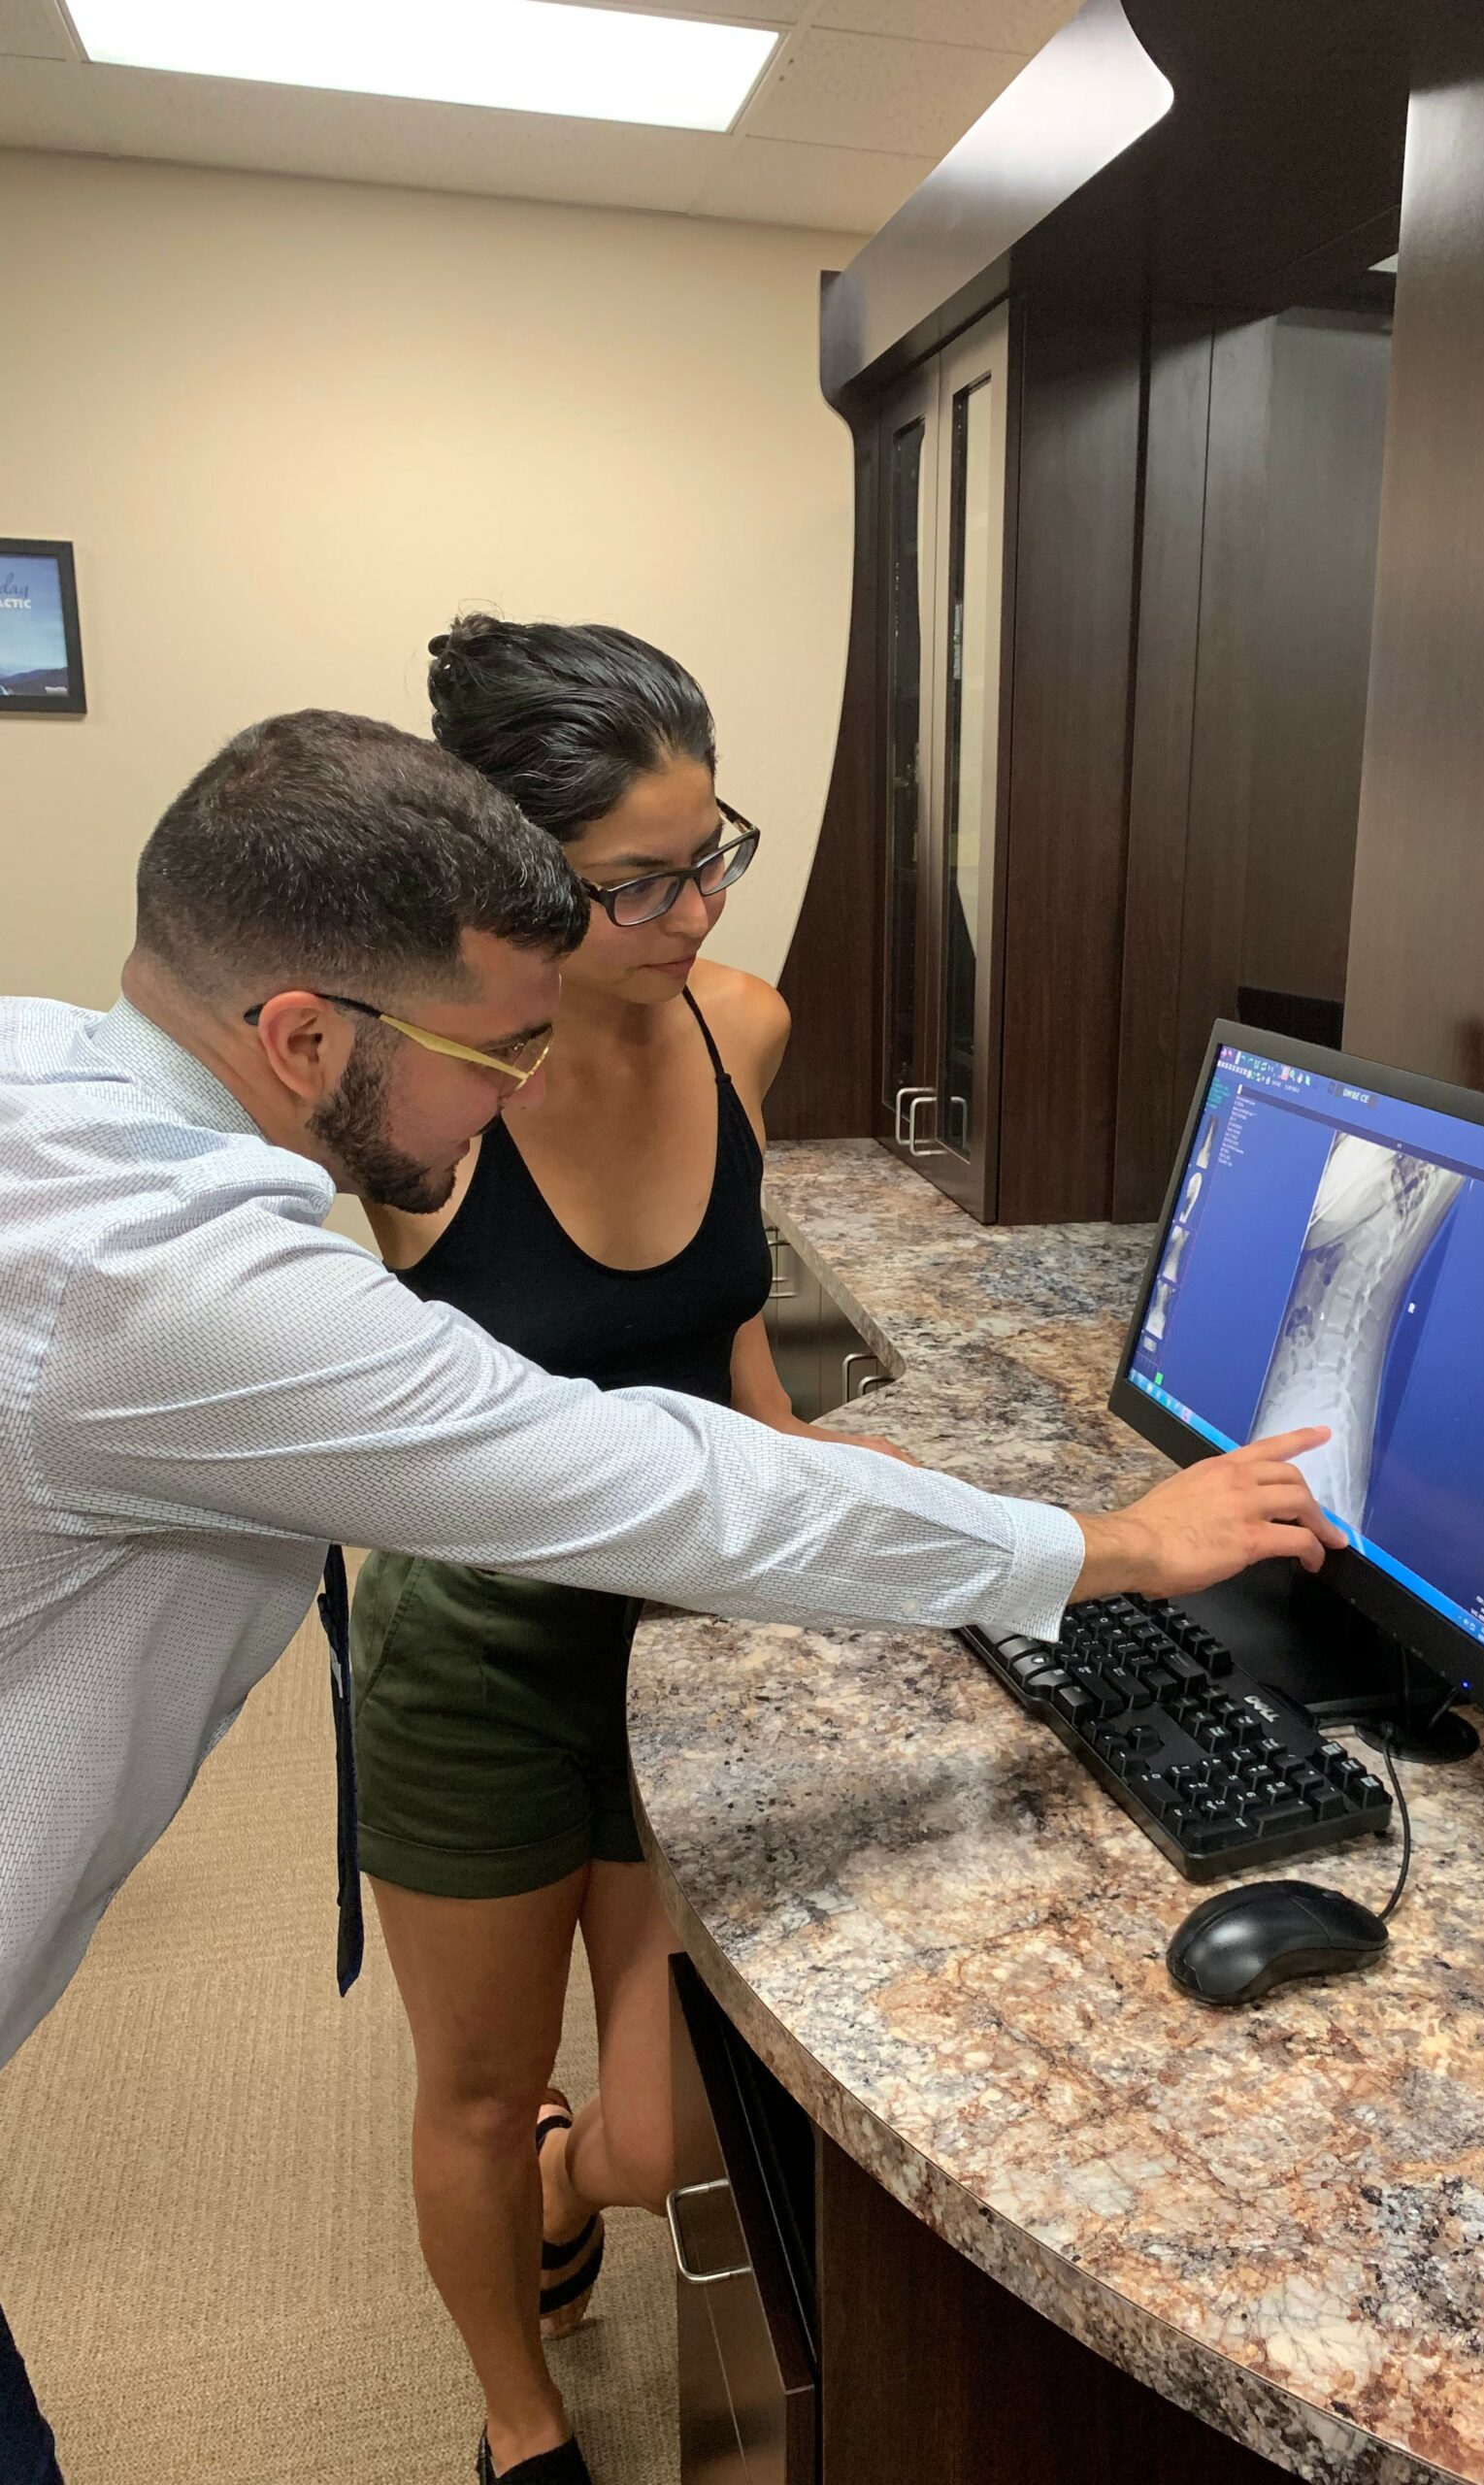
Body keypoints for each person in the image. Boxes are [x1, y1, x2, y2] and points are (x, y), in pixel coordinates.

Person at [0, 707, 1343, 2485]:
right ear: (304, 1036)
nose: (515, 1091)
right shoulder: (162, 1280)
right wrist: (1118, 1550)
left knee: (653, 2118)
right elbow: (650, 1481)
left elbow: (716, 1426)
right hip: (477, 1648)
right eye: (494, 1053)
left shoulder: (47, 1073)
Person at [350, 616, 911, 2482]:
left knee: (669, 2134)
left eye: (710, 855)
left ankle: (564, 2182)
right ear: (515, 883)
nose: (697, 912)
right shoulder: (422, 1100)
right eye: (639, 884)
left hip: (690, 1632)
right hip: (485, 1651)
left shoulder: (739, 1023)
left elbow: (722, 1321)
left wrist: (811, 1462)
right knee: (475, 2084)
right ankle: (521, 2424)